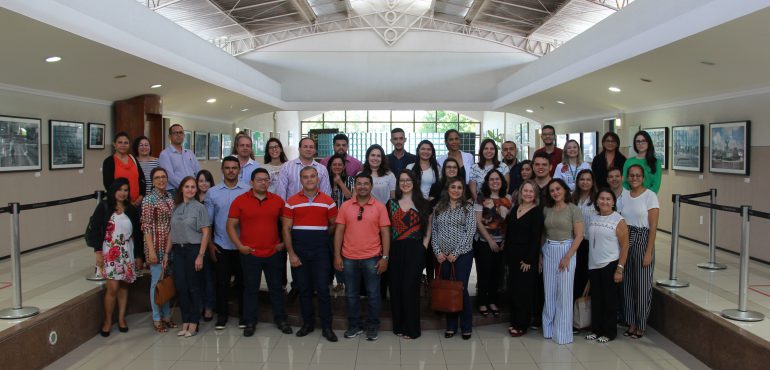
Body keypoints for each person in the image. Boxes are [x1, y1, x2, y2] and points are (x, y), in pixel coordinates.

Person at [227, 168, 293, 337]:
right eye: (259, 180)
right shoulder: (240, 200)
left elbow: (287, 224)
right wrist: (239, 245)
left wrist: (284, 244)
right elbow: (230, 225)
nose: (263, 183)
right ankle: (250, 321)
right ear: (251, 182)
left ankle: (281, 320)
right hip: (250, 253)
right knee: (250, 289)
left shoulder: (277, 201)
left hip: (273, 253)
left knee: (276, 289)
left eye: (266, 180)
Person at [282, 166, 339, 342]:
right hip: (299, 251)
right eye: (305, 177)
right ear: (301, 180)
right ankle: (308, 324)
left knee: (322, 289)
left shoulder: (328, 201)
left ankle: (327, 327)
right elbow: (286, 228)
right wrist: (291, 253)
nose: (309, 180)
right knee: (304, 289)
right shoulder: (291, 201)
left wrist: (320, 235)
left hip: (321, 251)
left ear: (318, 179)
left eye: (312, 176)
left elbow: (333, 225)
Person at [334, 173, 391, 342]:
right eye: (359, 184)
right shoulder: (345, 206)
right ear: (354, 186)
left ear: (371, 186)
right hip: (348, 258)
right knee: (351, 294)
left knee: (373, 294)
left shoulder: (380, 207)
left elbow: (386, 233)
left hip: (372, 258)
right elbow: (339, 232)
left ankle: (372, 326)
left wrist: (385, 257)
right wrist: (337, 256)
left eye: (366, 184)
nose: (362, 187)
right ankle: (355, 325)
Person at [89, 178, 143, 337]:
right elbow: (94, 230)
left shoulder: (131, 210)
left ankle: (121, 319)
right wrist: (98, 251)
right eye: (120, 189)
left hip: (126, 251)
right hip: (109, 251)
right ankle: (107, 321)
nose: (123, 193)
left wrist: (139, 256)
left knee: (124, 286)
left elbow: (138, 235)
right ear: (113, 190)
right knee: (112, 287)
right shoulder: (104, 206)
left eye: (126, 190)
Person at [205, 156, 249, 330]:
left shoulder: (247, 190)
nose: (231, 171)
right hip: (221, 245)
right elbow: (208, 222)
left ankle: (243, 316)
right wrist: (210, 244)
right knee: (222, 283)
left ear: (239, 170)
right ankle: (222, 316)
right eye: (227, 168)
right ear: (222, 170)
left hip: (242, 245)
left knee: (243, 283)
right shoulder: (213, 192)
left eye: (234, 168)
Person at [386, 169, 430, 339]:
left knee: (410, 288)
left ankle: (412, 329)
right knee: (396, 288)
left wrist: (424, 247)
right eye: (402, 180)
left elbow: (428, 229)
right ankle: (399, 326)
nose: (405, 183)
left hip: (415, 249)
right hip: (395, 249)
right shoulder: (391, 204)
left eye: (408, 180)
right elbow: (387, 230)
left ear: (414, 182)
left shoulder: (423, 204)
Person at [617, 164, 660, 339]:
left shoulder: (650, 196)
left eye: (638, 175)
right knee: (627, 284)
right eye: (631, 175)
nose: (634, 178)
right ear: (627, 177)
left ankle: (641, 324)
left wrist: (648, 251)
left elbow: (653, 227)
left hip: (643, 239)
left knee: (642, 286)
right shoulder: (624, 196)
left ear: (643, 178)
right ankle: (631, 322)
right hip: (627, 238)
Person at [432, 178, 476, 340]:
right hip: (443, 256)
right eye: (453, 187)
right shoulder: (438, 208)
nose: (456, 190)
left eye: (459, 188)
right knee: (448, 289)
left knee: (460, 289)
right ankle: (451, 326)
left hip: (462, 254)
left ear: (463, 191)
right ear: (447, 189)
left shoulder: (468, 208)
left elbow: (469, 232)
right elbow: (434, 231)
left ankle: (466, 326)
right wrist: (438, 252)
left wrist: (455, 253)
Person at [542, 178, 584, 345]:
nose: (555, 193)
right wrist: (540, 253)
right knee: (549, 291)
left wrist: (567, 256)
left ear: (565, 190)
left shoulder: (574, 210)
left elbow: (579, 235)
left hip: (566, 249)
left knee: (564, 293)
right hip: (549, 249)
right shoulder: (547, 209)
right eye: (552, 190)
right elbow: (543, 234)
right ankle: (548, 329)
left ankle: (563, 334)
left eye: (558, 189)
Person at [586, 189, 629, 343]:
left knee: (610, 300)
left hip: (610, 264)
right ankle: (596, 330)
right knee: (596, 299)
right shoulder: (592, 217)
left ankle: (609, 332)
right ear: (597, 201)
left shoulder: (618, 220)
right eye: (602, 199)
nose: (604, 202)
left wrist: (620, 268)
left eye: (608, 199)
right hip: (594, 265)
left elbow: (625, 246)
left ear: (613, 202)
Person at [169, 176, 211, 337]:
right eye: (187, 186)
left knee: (194, 286)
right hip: (178, 251)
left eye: (193, 187)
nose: (190, 190)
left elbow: (206, 233)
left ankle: (194, 321)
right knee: (181, 286)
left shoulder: (199, 208)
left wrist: (201, 255)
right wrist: (167, 253)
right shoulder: (176, 207)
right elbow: (171, 232)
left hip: (194, 249)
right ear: (181, 188)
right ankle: (185, 320)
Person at [505, 180, 544, 337]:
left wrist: (528, 260)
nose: (527, 194)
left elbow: (536, 239)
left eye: (531, 191)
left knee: (524, 292)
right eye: (525, 191)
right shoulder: (515, 208)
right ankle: (514, 320)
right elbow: (510, 233)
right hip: (513, 256)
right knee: (513, 290)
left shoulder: (536, 213)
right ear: (520, 193)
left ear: (535, 194)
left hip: (526, 259)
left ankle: (522, 324)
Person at [141, 167, 176, 333]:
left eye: (163, 177)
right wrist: (152, 251)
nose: (161, 180)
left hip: (169, 245)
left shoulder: (169, 196)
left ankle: (167, 316)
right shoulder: (149, 200)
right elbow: (146, 227)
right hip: (155, 245)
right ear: (152, 181)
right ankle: (156, 318)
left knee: (166, 281)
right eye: (157, 178)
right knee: (156, 283)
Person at [474, 169, 510, 317]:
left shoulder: (508, 199)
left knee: (497, 273)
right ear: (487, 183)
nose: (495, 182)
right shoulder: (481, 199)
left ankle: (493, 301)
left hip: (502, 242)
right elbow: (478, 222)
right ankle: (482, 302)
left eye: (498, 179)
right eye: (492, 179)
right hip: (484, 242)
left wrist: (505, 241)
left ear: (502, 182)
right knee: (484, 272)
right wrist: (489, 240)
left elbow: (509, 222)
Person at [572, 169, 597, 322]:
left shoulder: (596, 200)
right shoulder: (572, 199)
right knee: (574, 278)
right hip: (574, 243)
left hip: (590, 244)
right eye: (582, 179)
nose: (585, 182)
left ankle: (585, 318)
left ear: (592, 182)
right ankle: (574, 315)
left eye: (588, 179)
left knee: (586, 279)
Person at [326, 153, 354, 292]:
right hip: (328, 221)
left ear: (344, 167)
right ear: (330, 167)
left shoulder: (350, 180)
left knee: (341, 252)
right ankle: (329, 279)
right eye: (334, 164)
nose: (337, 166)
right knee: (330, 251)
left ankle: (342, 281)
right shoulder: (325, 180)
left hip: (346, 222)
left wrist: (340, 183)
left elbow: (351, 197)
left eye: (340, 165)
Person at [102, 132, 146, 207]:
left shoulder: (133, 158)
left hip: (138, 204)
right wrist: (126, 202)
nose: (123, 145)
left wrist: (141, 196)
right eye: (120, 142)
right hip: (119, 204)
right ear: (114, 144)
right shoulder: (109, 161)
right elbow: (108, 185)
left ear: (129, 145)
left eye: (126, 143)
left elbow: (142, 179)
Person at [195, 169, 215, 321]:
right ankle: (199, 304)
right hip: (194, 242)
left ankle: (209, 306)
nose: (203, 183)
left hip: (211, 242)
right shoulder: (191, 198)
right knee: (197, 276)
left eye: (206, 181)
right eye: (200, 180)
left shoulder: (214, 197)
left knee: (209, 276)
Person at [158, 124, 200, 194]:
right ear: (169, 137)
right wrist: (186, 188)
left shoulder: (190, 153)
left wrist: (197, 186)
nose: (178, 135)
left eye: (180, 132)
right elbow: (170, 176)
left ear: (184, 135)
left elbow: (198, 171)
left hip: (193, 190)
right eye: (175, 133)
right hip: (175, 191)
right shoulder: (165, 154)